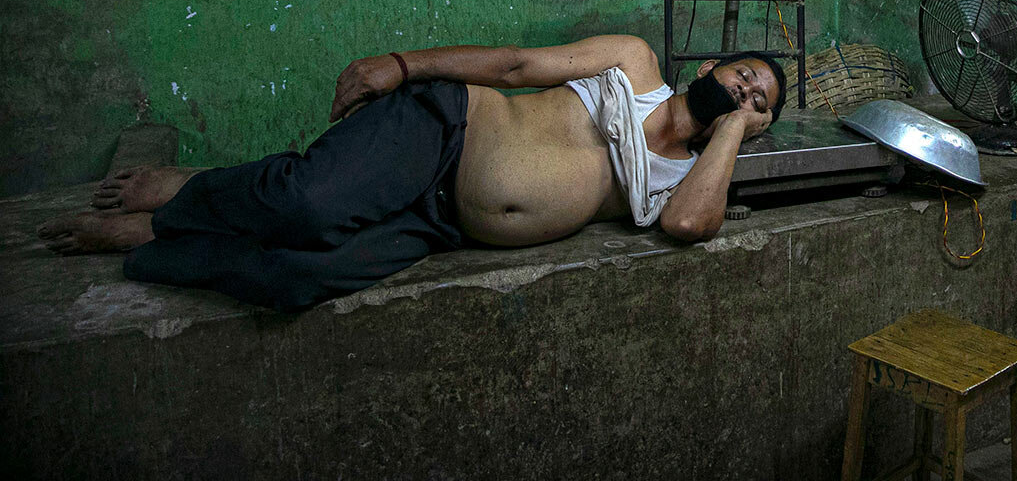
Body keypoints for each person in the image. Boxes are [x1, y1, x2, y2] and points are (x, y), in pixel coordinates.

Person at [37, 37, 785, 312]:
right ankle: (185, 193)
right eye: (746, 76)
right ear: (713, 65)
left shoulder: (686, 183)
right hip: (439, 132)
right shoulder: (637, 64)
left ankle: (156, 238)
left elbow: (690, 226)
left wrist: (730, 134)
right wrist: (400, 66)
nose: (747, 92)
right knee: (306, 204)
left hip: (441, 226)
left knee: (291, 282)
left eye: (759, 105)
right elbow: (516, 66)